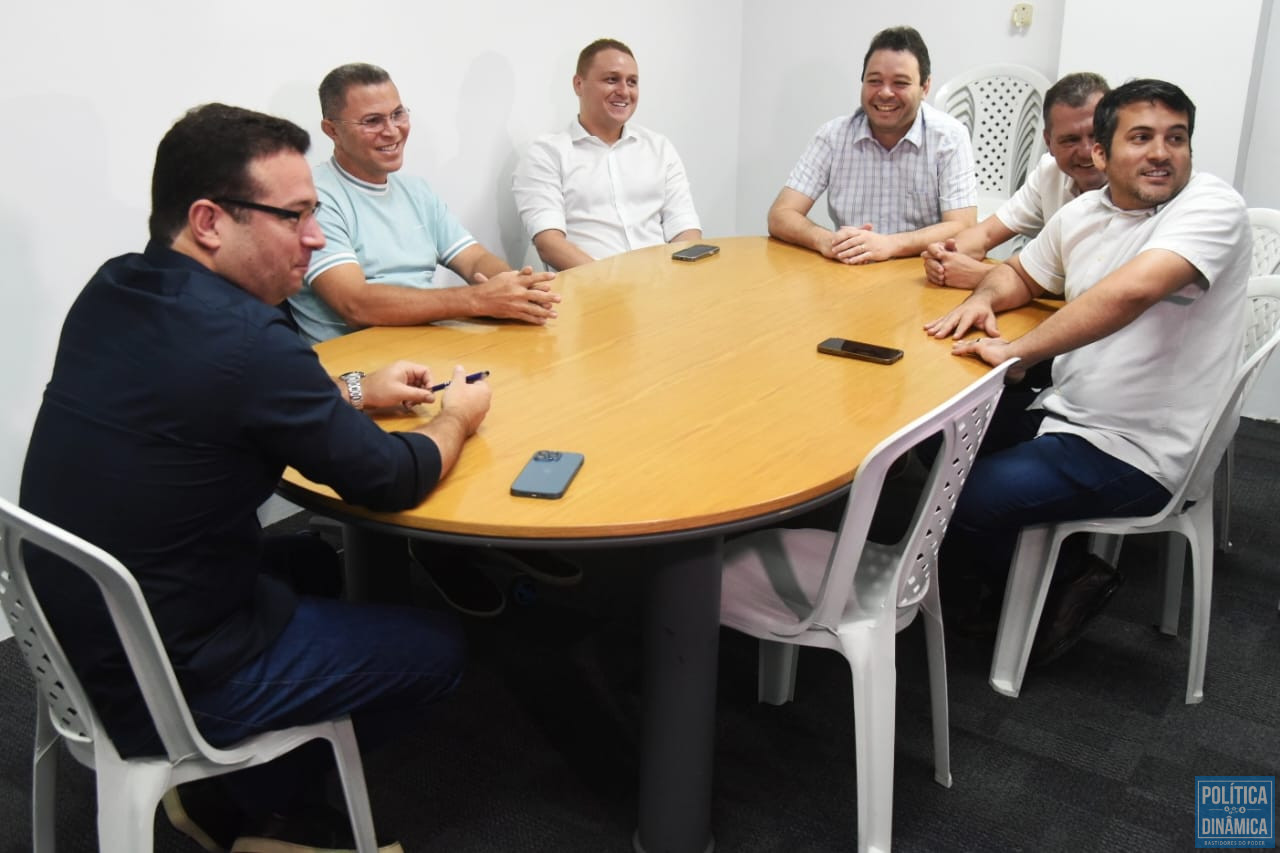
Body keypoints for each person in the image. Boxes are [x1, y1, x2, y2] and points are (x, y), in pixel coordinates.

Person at [20, 103, 493, 853]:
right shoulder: (250, 338)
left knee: (308, 558)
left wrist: (352, 393)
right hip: (163, 680)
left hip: (69, 636)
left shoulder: (116, 288)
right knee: (435, 648)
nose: (317, 236)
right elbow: (391, 477)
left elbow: (212, 404)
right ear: (210, 221)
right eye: (296, 215)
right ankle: (263, 802)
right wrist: (459, 414)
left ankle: (245, 794)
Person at [923, 79, 1250, 662]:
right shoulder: (1086, 213)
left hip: (1142, 448)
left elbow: (1129, 293)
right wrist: (985, 299)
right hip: (1070, 415)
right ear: (1101, 154)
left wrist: (1019, 353)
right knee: (936, 440)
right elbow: (1020, 274)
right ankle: (999, 579)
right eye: (1141, 137)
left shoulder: (1210, 204)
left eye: (1176, 139)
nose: (1161, 152)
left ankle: (1069, 580)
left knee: (963, 497)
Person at [288, 62, 559, 345]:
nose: (392, 131)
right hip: (356, 368)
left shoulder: (416, 191)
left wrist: (516, 287)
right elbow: (356, 304)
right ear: (331, 131)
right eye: (372, 121)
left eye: (397, 114)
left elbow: (474, 259)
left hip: (426, 346)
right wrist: (478, 299)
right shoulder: (312, 198)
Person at [768, 25, 977, 265]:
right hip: (849, 271)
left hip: (919, 274)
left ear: (925, 87)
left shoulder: (950, 138)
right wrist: (825, 240)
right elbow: (781, 214)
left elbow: (964, 226)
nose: (885, 93)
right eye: (874, 81)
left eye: (900, 83)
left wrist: (890, 245)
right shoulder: (833, 136)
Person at [512, 38, 702, 271]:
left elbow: (684, 227)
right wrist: (612, 285)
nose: (623, 91)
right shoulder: (546, 154)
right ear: (578, 84)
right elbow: (549, 244)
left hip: (659, 289)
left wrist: (680, 278)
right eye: (612, 80)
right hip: (589, 295)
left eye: (632, 82)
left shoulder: (659, 148)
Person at [922, 72, 1110, 289]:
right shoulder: (1049, 173)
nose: (1087, 151)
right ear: (1049, 142)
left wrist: (984, 275)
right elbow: (987, 233)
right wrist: (944, 254)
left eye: (1096, 135)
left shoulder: (1132, 189)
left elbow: (1095, 288)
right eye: (1070, 140)